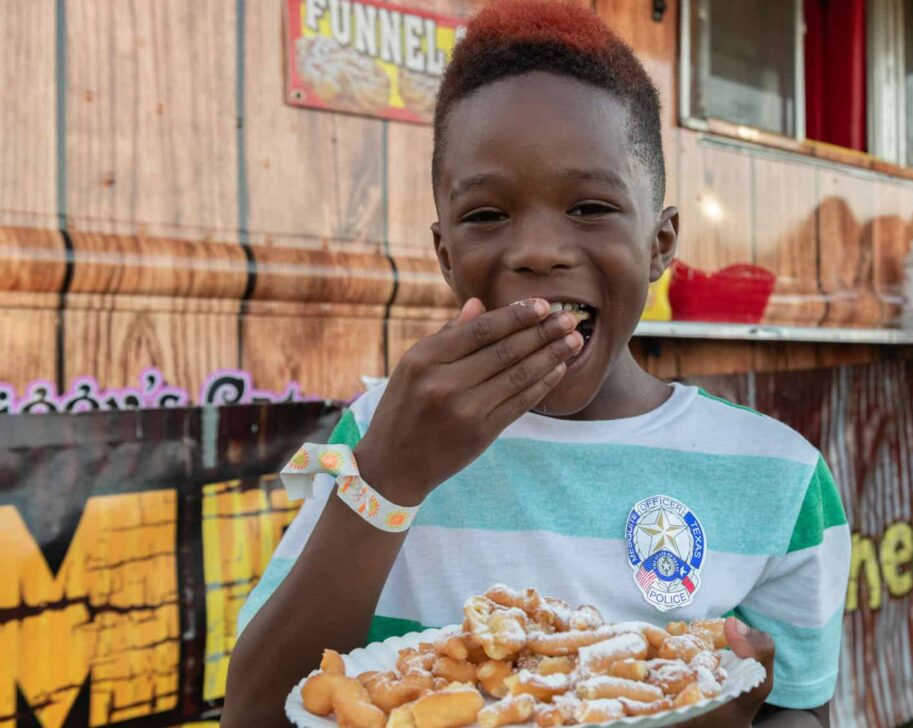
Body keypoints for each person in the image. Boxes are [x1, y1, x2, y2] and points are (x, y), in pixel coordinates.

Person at [220, 2, 848, 726]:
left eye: (589, 207)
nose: (539, 251)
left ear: (661, 243)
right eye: (487, 215)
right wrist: (390, 479)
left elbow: (802, 710)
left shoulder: (777, 476)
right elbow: (256, 715)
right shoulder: (378, 435)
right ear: (446, 254)